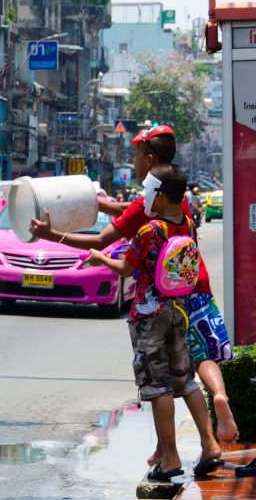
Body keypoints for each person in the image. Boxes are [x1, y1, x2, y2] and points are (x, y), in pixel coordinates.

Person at [29, 125, 238, 454]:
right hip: (194, 290)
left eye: (136, 156)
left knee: (159, 383)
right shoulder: (177, 199)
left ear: (149, 159)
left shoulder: (148, 219)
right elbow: (133, 210)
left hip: (157, 304)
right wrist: (103, 206)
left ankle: (168, 452)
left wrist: (52, 235)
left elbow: (110, 246)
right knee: (194, 368)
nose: (135, 162)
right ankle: (209, 425)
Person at [84, 163, 222, 480]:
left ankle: (170, 457)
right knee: (186, 381)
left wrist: (98, 257)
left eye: (148, 190)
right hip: (179, 310)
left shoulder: (149, 231)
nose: (145, 196)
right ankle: (210, 443)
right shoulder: (187, 224)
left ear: (159, 195)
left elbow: (126, 269)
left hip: (150, 316)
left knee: (157, 386)